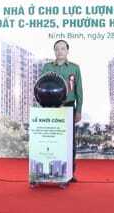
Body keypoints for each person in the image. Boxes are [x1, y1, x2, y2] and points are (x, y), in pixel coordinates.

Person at [39, 40, 83, 182]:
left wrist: (79, 110)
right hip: (50, 108)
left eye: (63, 49)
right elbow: (41, 86)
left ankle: (70, 172)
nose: (60, 51)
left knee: (69, 141)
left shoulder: (74, 68)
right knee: (51, 140)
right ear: (54, 51)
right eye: (57, 49)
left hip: (69, 106)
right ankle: (49, 169)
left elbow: (79, 91)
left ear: (67, 51)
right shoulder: (47, 67)